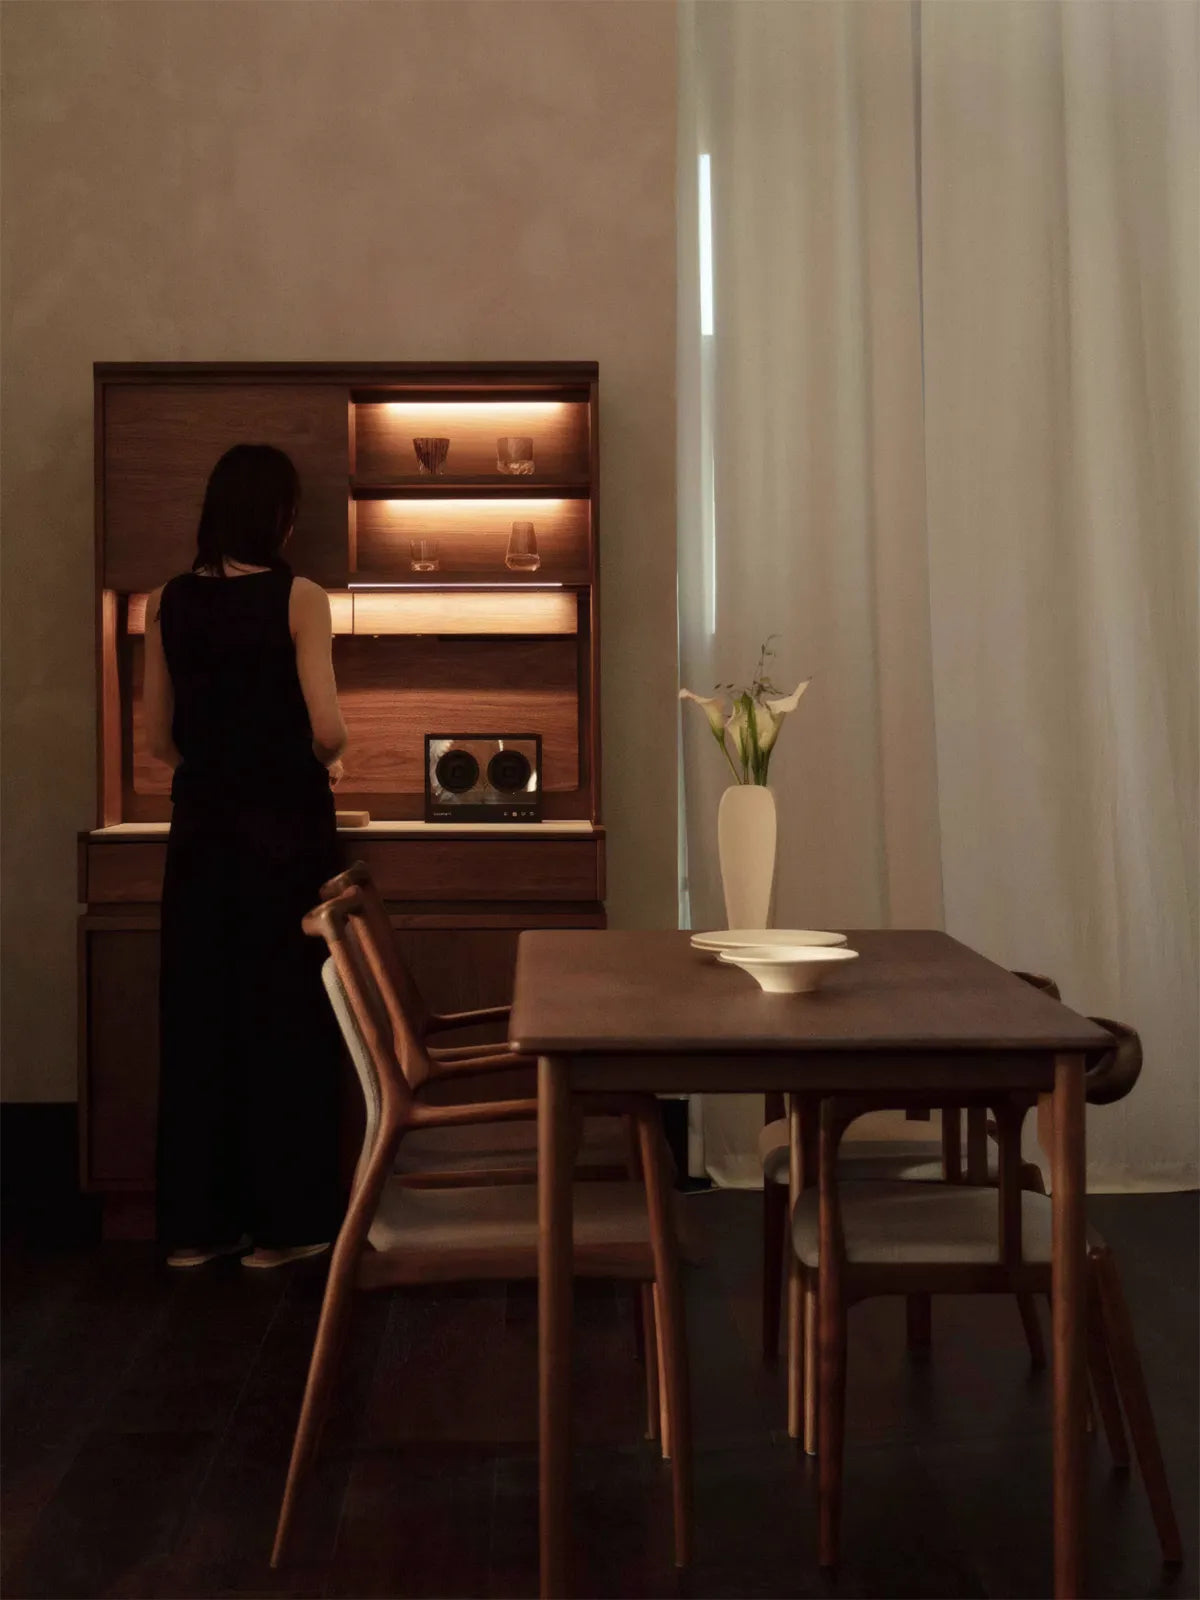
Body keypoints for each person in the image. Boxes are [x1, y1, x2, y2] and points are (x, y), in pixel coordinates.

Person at [143, 443, 348, 1269]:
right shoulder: (300, 598)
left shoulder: (166, 602)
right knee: (285, 1020)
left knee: (199, 1022)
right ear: (281, 517)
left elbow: (158, 739)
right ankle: (287, 1227)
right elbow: (326, 729)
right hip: (284, 836)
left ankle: (195, 1231)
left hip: (201, 836)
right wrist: (325, 756)